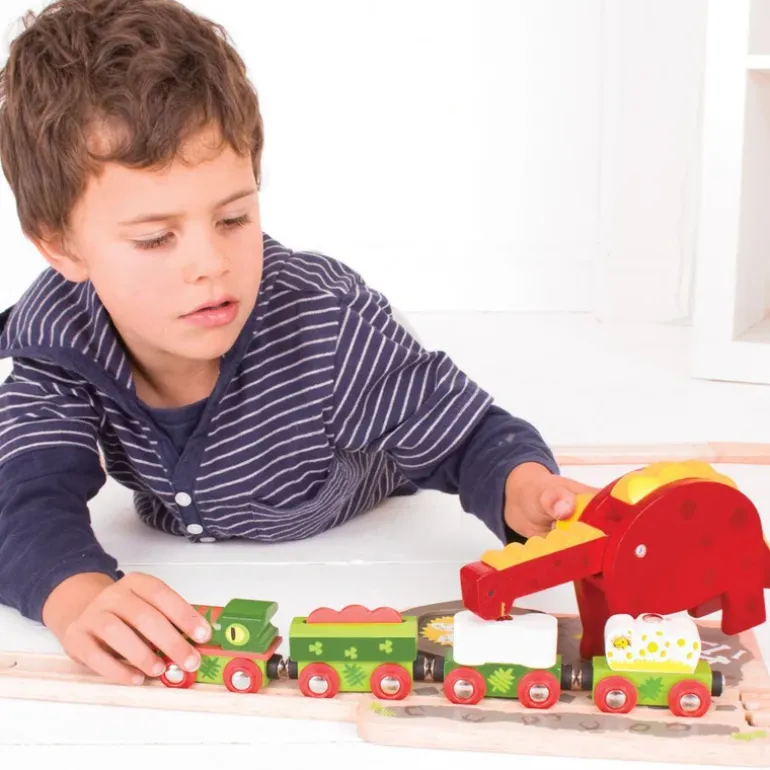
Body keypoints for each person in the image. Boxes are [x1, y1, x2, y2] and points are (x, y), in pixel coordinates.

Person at [0, 0, 595, 687]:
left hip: (359, 469)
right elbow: (23, 495)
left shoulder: (325, 327)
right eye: (156, 238)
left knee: (411, 412)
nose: (211, 264)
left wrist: (524, 488)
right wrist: (76, 596)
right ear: (61, 247)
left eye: (233, 218)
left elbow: (466, 433)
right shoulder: (56, 340)